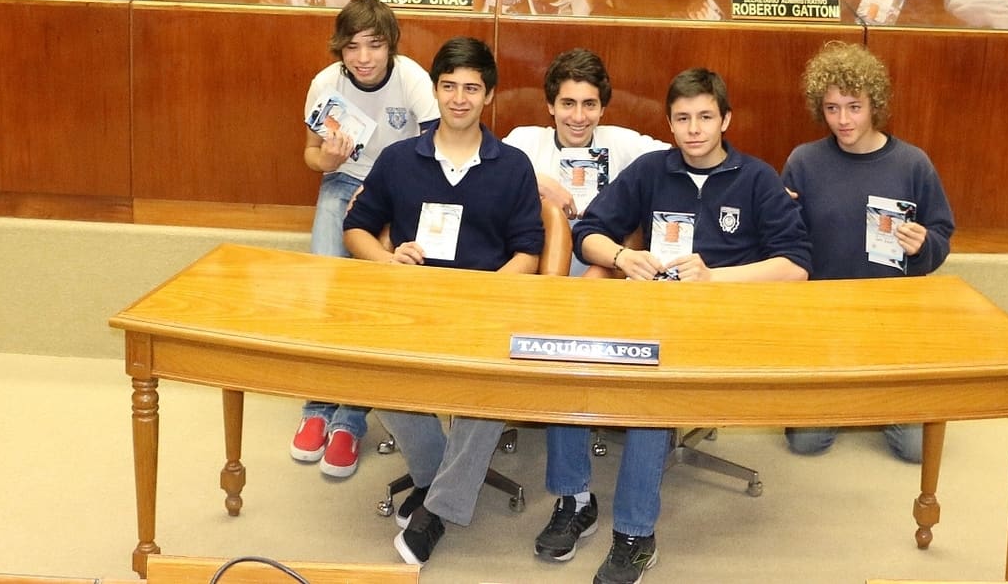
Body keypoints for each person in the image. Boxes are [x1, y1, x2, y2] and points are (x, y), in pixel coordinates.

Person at [567, 67, 811, 584]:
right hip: (650, 308)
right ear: (670, 124)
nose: (694, 129)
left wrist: (716, 278)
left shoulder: (757, 178)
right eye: (682, 119)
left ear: (725, 119)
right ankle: (572, 499)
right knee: (571, 352)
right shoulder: (652, 170)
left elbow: (795, 264)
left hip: (723, 321)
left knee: (656, 390)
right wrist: (619, 256)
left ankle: (634, 536)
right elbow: (585, 232)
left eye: (705, 117)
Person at [346, 38, 543, 568]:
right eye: (450, 86)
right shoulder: (399, 158)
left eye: (472, 88)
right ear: (435, 91)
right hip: (415, 303)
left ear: (489, 95)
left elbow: (529, 250)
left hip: (487, 306)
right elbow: (356, 229)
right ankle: (439, 477)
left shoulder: (513, 165)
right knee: (369, 371)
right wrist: (388, 262)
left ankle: (439, 510)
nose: (459, 98)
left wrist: (488, 291)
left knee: (488, 386)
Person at [781, 42, 954, 463]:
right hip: (825, 320)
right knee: (805, 442)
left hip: (892, 321)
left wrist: (924, 245)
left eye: (854, 107)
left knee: (916, 450)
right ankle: (847, 392)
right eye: (832, 108)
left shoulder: (913, 163)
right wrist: (781, 216)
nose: (843, 119)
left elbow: (942, 232)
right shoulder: (804, 161)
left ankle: (880, 395)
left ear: (874, 104)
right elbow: (785, 246)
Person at [295, 0, 440, 479]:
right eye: (352, 47)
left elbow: (437, 152)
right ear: (340, 50)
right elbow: (311, 156)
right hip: (344, 180)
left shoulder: (414, 80)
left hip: (402, 189)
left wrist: (391, 204)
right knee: (323, 287)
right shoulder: (326, 83)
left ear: (390, 46)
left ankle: (352, 417)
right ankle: (318, 405)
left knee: (374, 296)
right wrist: (331, 163)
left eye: (374, 46)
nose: (363, 57)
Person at [501, 48, 658, 236]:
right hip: (534, 261)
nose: (578, 117)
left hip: (606, 260)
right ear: (551, 105)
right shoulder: (524, 142)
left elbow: (678, 162)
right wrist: (534, 183)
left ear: (602, 109)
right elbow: (482, 182)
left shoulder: (623, 143)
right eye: (568, 103)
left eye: (589, 104)